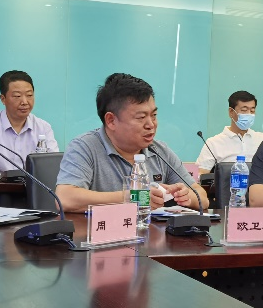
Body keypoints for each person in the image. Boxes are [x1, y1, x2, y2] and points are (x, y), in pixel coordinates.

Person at [55, 73, 207, 213]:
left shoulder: (159, 151)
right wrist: (133, 197)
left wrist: (185, 197)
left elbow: (202, 197)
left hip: (150, 232)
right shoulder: (85, 147)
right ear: (111, 120)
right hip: (101, 232)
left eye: (154, 115)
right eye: (141, 117)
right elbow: (65, 198)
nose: (151, 124)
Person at [0, 70, 59, 170]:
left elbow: (54, 164)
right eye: (17, 96)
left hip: (32, 180)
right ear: (3, 99)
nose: (24, 102)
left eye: (29, 95)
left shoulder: (43, 127)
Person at [194, 90, 263, 173]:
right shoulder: (213, 143)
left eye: (252, 111)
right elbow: (202, 174)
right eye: (244, 110)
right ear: (231, 112)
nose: (249, 114)